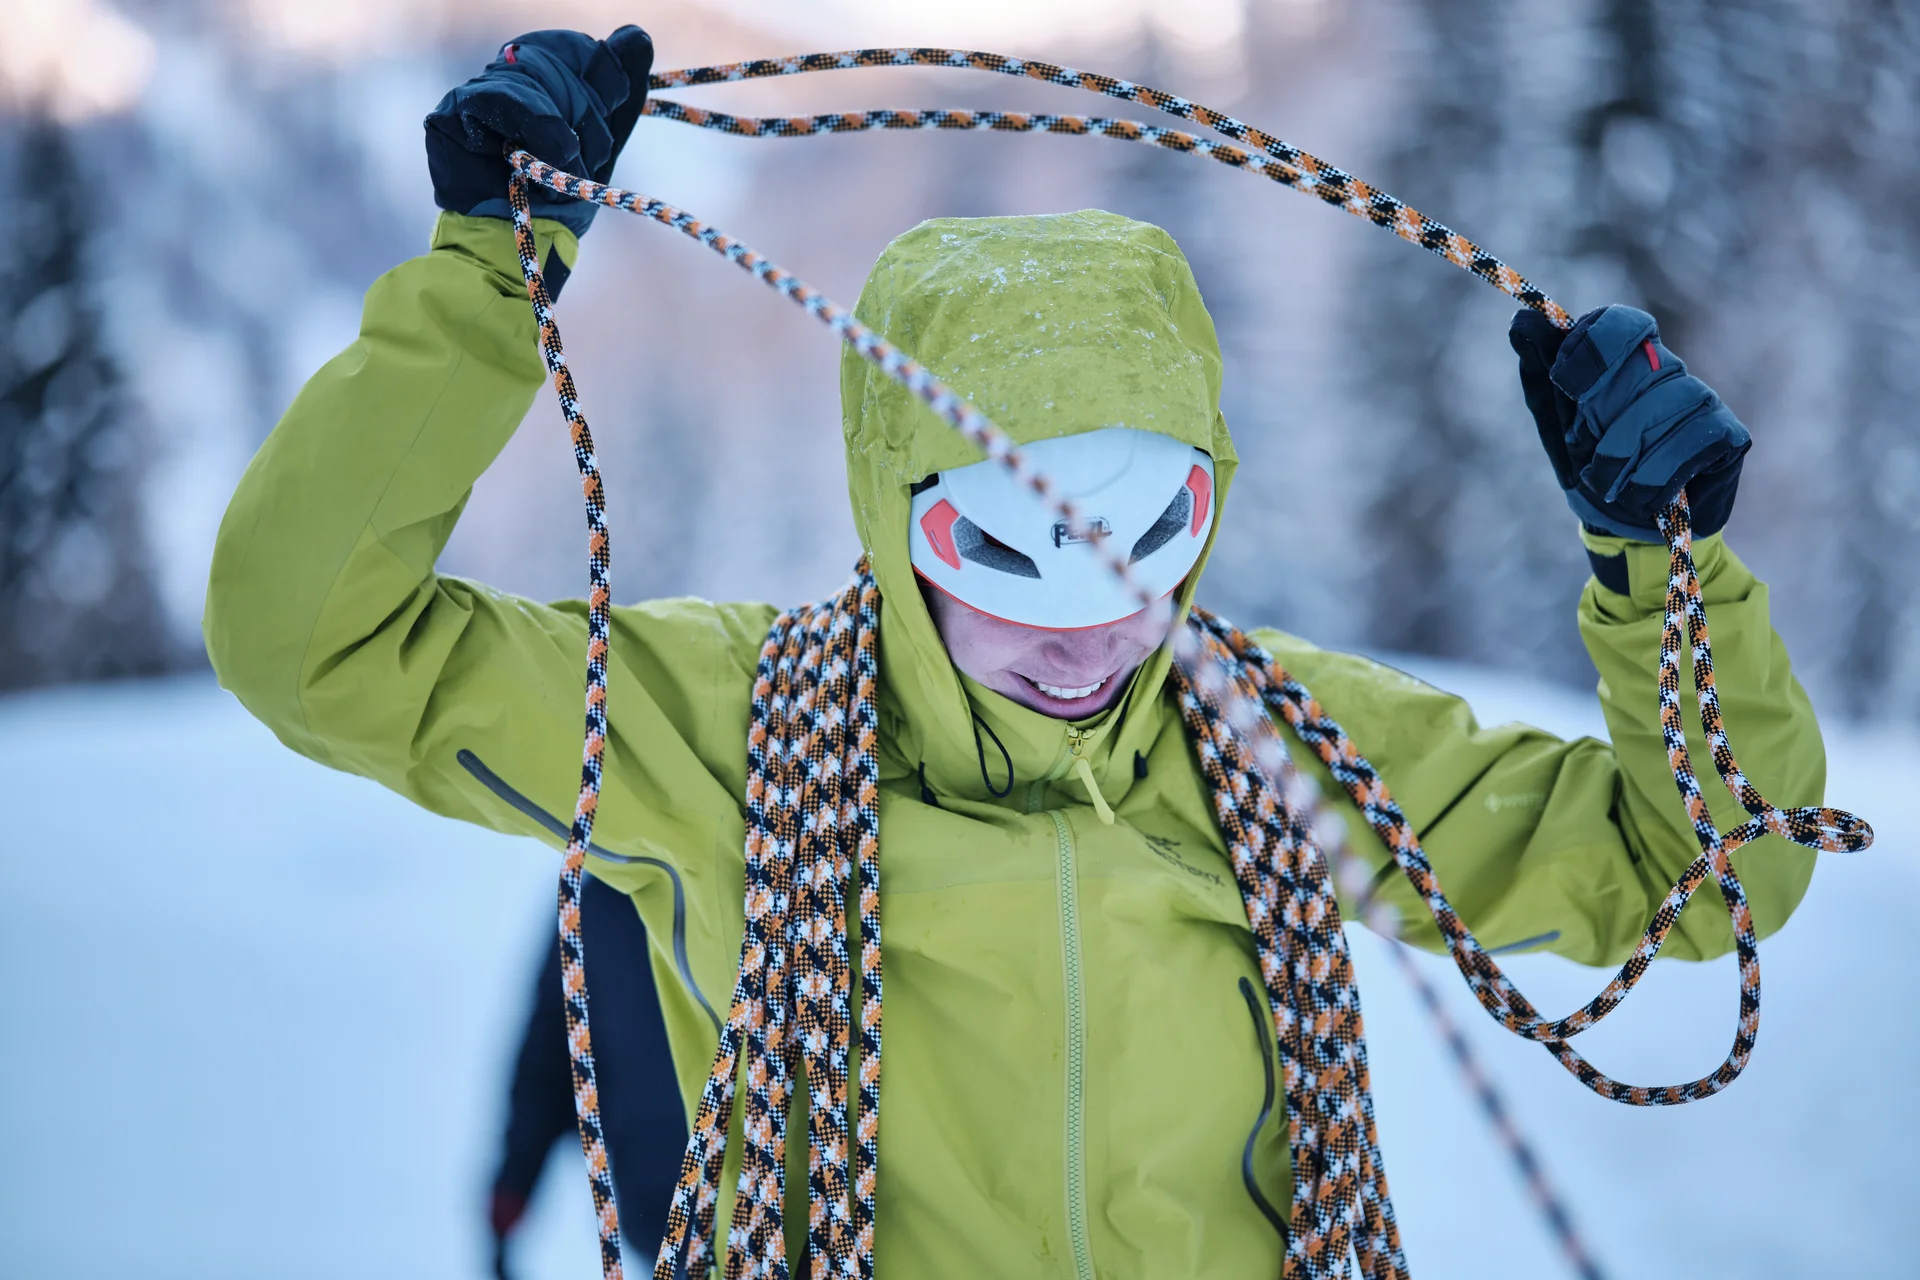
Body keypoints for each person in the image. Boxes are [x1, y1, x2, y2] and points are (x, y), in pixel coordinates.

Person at [203, 25, 1826, 1278]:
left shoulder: (1279, 742)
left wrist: (1660, 572)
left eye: (1148, 541)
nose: (1092, 628)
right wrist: (491, 279)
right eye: (1006, 548)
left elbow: (1709, 875)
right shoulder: (722, 728)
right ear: (896, 505)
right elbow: (311, 642)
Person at [487, 872, 685, 1279]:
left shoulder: (771, 868)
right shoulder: (593, 902)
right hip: (668, 1218)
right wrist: (515, 1182)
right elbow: (556, 1056)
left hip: (794, 1204)